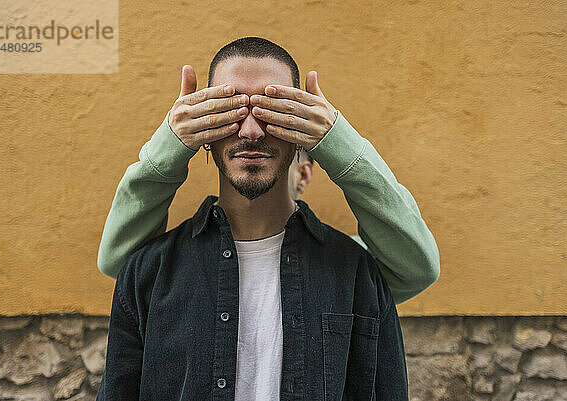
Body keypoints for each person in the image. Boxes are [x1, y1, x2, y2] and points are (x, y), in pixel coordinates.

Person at [96, 36, 440, 400]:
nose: (251, 131)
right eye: (230, 110)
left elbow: (416, 266)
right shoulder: (153, 270)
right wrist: (170, 143)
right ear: (204, 131)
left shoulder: (354, 273)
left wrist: (337, 139)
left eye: (272, 110)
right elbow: (121, 263)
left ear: (302, 130)